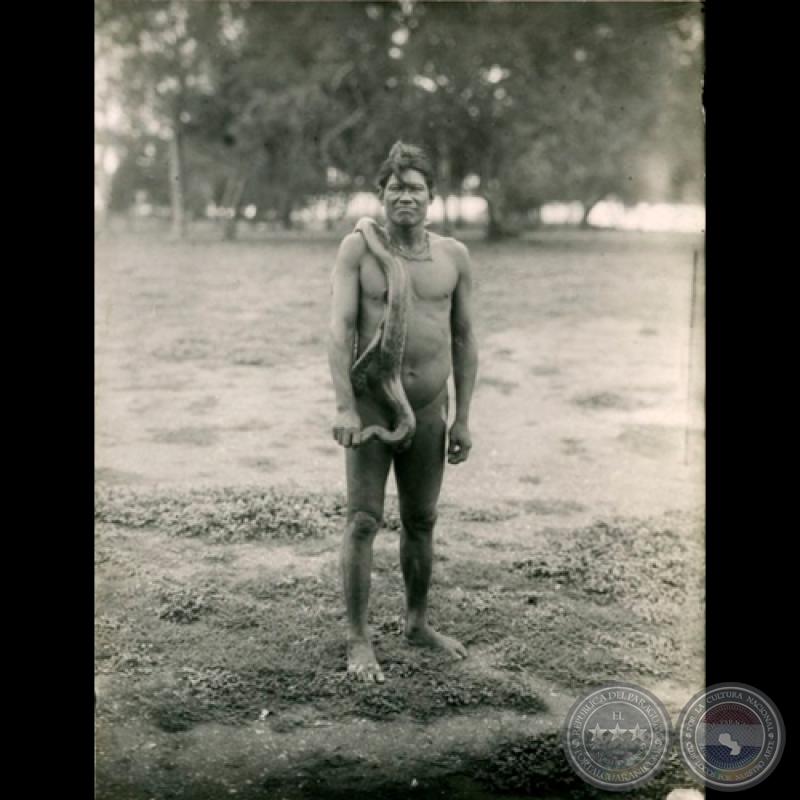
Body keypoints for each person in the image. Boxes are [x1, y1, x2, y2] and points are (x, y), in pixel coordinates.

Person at [327, 141, 479, 683]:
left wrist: (463, 417)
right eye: (395, 188)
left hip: (430, 409)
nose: (405, 197)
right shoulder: (359, 250)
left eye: (415, 188)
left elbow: (464, 338)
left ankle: (417, 623)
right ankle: (358, 639)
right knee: (363, 520)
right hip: (372, 405)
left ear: (431, 196)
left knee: (421, 519)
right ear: (382, 195)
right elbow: (340, 329)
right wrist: (346, 406)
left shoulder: (453, 257)